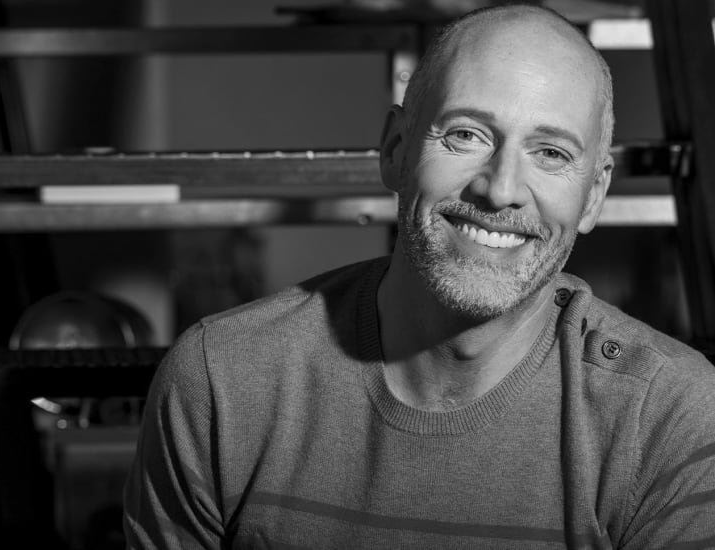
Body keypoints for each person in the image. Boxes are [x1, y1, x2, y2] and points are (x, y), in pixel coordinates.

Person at [124, 4, 715, 548]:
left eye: (551, 153)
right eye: (466, 135)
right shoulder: (222, 383)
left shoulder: (669, 418)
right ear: (396, 150)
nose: (500, 189)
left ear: (594, 196)